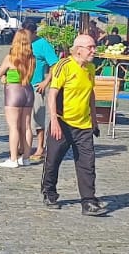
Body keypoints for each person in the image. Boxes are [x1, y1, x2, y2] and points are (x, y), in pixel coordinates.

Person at [41, 34, 105, 215]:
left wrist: (94, 119)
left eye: (94, 47)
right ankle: (49, 191)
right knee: (53, 159)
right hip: (63, 121)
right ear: (78, 50)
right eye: (90, 47)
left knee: (87, 163)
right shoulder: (65, 66)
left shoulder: (91, 68)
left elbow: (91, 94)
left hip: (83, 125)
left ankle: (88, 201)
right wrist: (54, 120)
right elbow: (52, 94)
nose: (94, 50)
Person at [0, 28, 37, 169]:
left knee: (13, 126)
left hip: (13, 90)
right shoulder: (32, 58)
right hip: (28, 90)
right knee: (26, 126)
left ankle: (13, 158)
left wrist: (5, 76)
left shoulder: (11, 57)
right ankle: (26, 157)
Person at [28, 19, 61, 162]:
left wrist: (46, 81)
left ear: (34, 33)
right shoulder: (22, 42)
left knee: (38, 117)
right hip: (22, 85)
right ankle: (26, 145)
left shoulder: (43, 44)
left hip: (36, 85)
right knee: (25, 119)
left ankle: (40, 146)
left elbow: (54, 64)